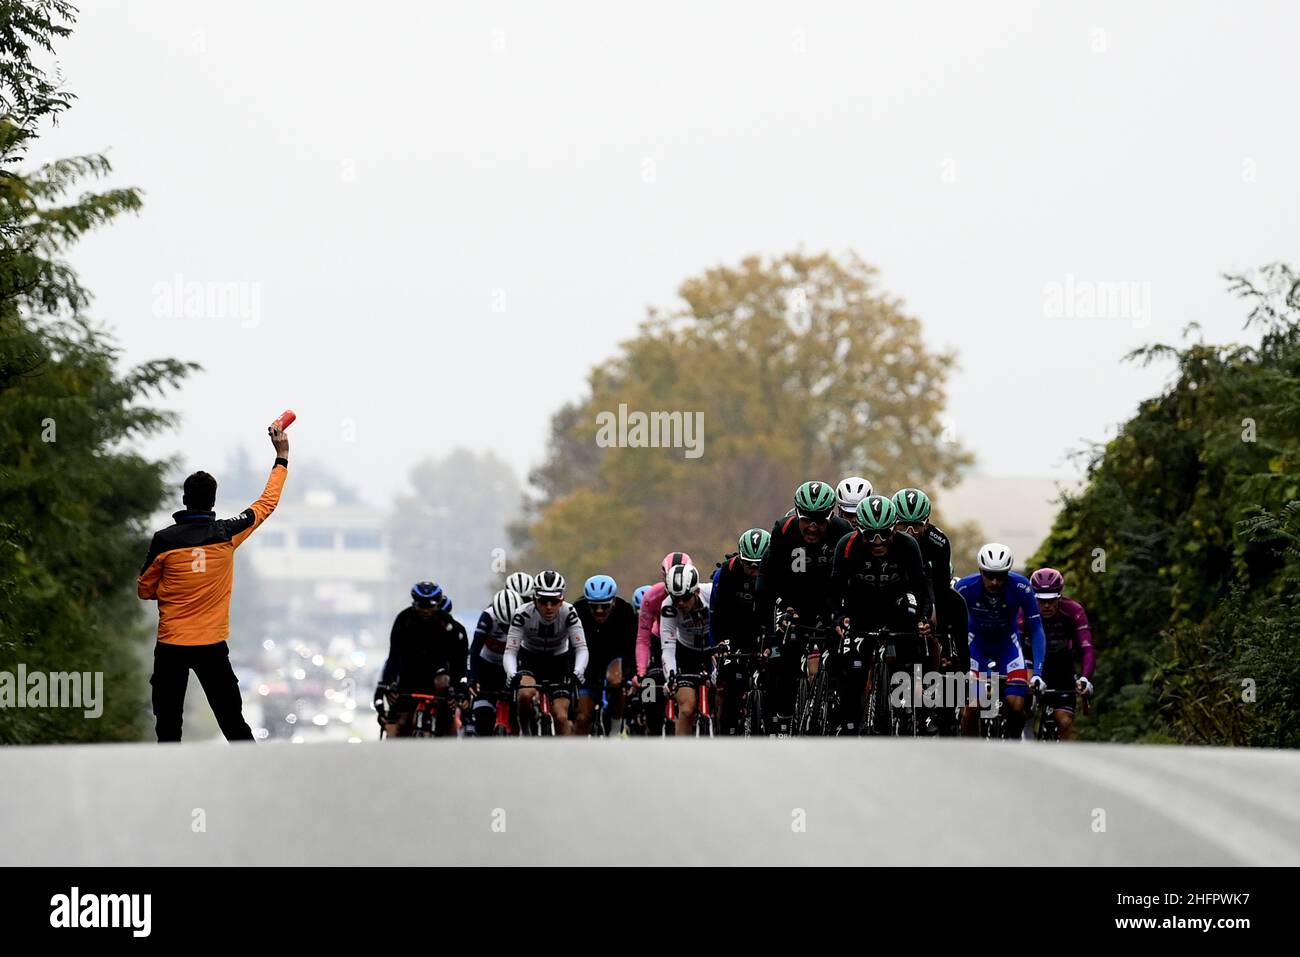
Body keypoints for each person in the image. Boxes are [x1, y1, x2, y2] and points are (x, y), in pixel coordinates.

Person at [137, 423, 289, 742]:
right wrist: (282, 457)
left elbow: (144, 589)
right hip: (211, 647)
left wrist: (174, 589)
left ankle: (170, 786)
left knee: (168, 727)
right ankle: (256, 780)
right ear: (213, 501)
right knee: (233, 723)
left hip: (171, 646)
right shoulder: (226, 534)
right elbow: (266, 504)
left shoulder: (163, 541)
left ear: (185, 499)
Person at [828, 495, 933, 734]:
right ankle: (848, 725)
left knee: (914, 634)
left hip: (897, 608)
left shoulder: (908, 546)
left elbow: (923, 590)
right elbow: (833, 592)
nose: (878, 542)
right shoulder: (846, 546)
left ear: (894, 528)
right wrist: (838, 617)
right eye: (870, 535)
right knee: (853, 671)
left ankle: (913, 705)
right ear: (860, 531)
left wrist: (923, 620)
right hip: (860, 610)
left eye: (884, 534)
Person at [758, 481, 854, 731]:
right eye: (807, 520)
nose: (813, 527)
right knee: (785, 655)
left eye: (820, 521)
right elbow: (770, 580)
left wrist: (840, 614)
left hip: (829, 601)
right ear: (797, 514)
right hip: (795, 600)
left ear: (830, 516)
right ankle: (784, 717)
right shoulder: (783, 530)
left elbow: (849, 579)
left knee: (843, 657)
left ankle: (836, 708)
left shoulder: (842, 531)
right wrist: (783, 610)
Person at [954, 543, 1045, 738]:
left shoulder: (1021, 587)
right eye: (989, 575)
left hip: (1007, 648)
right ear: (980, 571)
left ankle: (1011, 746)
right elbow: (951, 626)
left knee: (1017, 705)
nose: (995, 582)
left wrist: (1037, 672)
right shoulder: (965, 587)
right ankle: (969, 751)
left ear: (1008, 572)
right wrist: (955, 661)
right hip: (976, 647)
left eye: (1001, 576)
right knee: (972, 706)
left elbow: (1036, 629)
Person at [375, 581, 470, 737]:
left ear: (438, 604)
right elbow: (393, 657)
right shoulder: (403, 620)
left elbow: (459, 662)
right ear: (414, 603)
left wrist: (459, 688)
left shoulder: (450, 626)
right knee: (400, 723)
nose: (426, 611)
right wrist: (386, 684)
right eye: (421, 606)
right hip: (410, 676)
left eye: (430, 606)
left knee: (447, 722)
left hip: (439, 678)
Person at [504, 570, 587, 735]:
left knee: (562, 717)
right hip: (530, 659)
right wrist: (511, 674)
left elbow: (581, 648)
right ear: (534, 599)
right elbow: (510, 652)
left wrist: (578, 672)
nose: (549, 607)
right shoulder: (522, 613)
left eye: (554, 601)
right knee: (525, 694)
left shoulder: (569, 613)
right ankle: (526, 730)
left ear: (562, 599)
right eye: (543, 601)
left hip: (559, 661)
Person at [710, 528, 771, 733]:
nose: (754, 571)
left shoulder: (776, 571)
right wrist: (722, 642)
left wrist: (771, 644)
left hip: (765, 628)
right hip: (737, 628)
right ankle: (728, 731)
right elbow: (719, 614)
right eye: (749, 565)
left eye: (759, 565)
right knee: (732, 681)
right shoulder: (728, 571)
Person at [1027, 567, 1095, 740]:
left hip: (1061, 666)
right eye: (1041, 601)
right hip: (1031, 661)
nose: (1047, 606)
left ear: (1060, 596)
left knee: (1064, 722)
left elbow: (1086, 648)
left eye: (1051, 600)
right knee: (1019, 708)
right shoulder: (1025, 610)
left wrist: (1085, 678)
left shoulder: (1074, 611)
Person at [573, 574, 637, 736]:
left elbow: (631, 649)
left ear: (613, 602)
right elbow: (569, 647)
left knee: (616, 681)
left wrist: (629, 677)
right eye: (594, 606)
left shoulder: (625, 612)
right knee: (582, 717)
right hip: (587, 661)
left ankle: (615, 727)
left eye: (604, 606)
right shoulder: (577, 610)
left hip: (614, 658)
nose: (599, 611)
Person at [660, 563, 716, 736]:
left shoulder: (712, 593)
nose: (681, 603)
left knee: (722, 699)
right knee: (686, 708)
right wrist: (670, 676)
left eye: (685, 597)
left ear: (696, 591)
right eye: (676, 598)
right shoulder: (668, 606)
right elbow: (668, 648)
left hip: (713, 650)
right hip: (686, 654)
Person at [467, 588, 523, 736]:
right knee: (483, 717)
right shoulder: (487, 616)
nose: (507, 630)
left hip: (512, 666)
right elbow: (474, 650)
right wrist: (472, 678)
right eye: (504, 626)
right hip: (487, 665)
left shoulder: (525, 615)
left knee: (518, 713)